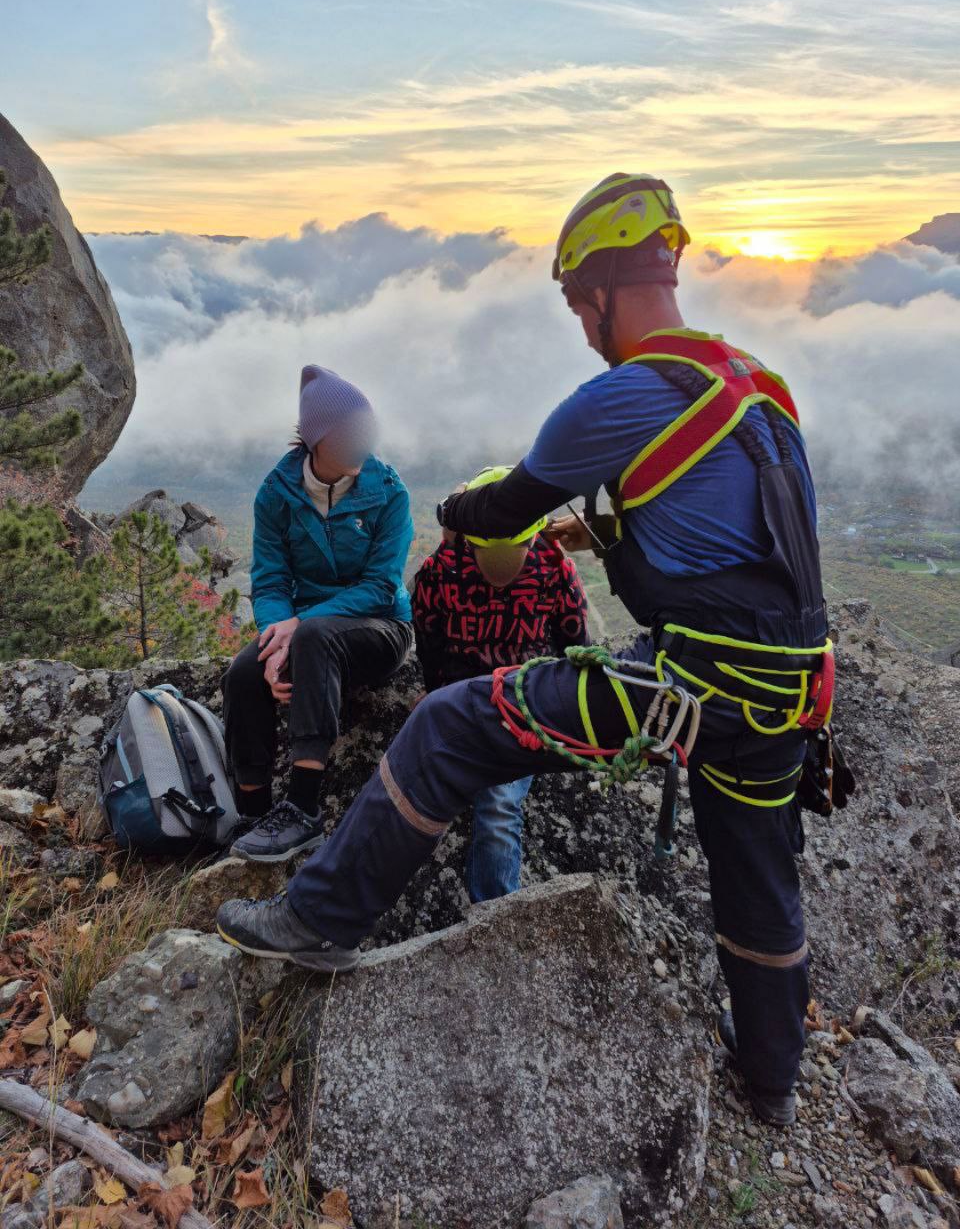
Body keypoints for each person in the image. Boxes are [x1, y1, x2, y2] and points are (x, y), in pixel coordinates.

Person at [217, 175, 831, 1128]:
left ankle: (322, 919)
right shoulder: (762, 391)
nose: (582, 325)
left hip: (694, 684)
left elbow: (501, 510)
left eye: (576, 302)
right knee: (756, 871)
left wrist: (464, 508)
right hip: (787, 699)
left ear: (597, 289)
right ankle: (773, 1079)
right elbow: (748, 550)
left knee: (448, 722)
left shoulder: (625, 394)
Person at [221, 363, 414, 862]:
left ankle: (302, 810)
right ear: (316, 439)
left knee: (314, 638)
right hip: (305, 624)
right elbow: (268, 581)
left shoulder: (389, 492)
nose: (362, 444)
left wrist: (299, 626)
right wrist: (273, 638)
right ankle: (253, 813)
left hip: (381, 626)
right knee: (243, 674)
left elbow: (379, 586)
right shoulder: (277, 494)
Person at [412, 466, 589, 902]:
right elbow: (430, 639)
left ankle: (494, 913)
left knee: (498, 807)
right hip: (466, 700)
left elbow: (574, 645)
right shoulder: (441, 572)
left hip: (525, 704)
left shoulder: (553, 569)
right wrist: (433, 692)